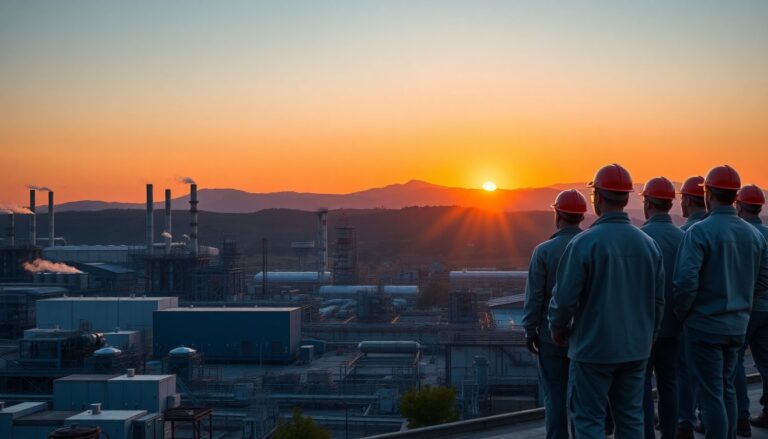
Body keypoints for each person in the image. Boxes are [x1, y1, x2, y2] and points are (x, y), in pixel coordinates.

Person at [548, 163, 665, 438]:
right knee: (631, 419)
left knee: (589, 421)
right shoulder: (648, 245)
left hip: (592, 349)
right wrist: (651, 334)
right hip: (636, 350)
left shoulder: (584, 244)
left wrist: (558, 327)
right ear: (626, 198)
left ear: (597, 198)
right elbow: (658, 301)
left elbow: (564, 300)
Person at [673, 165, 768, 439]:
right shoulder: (752, 235)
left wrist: (684, 312)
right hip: (737, 324)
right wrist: (743, 300)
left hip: (704, 325)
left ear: (709, 194)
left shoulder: (699, 232)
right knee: (726, 388)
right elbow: (763, 278)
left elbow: (685, 282)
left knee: (711, 392)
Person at [523, 189, 588, 439]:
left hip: (550, 338)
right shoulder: (591, 246)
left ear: (558, 215)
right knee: (584, 396)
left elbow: (535, 297)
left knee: (555, 396)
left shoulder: (544, 251)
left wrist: (530, 331)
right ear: (581, 217)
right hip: (585, 336)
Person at [640, 177, 684, 439]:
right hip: (675, 325)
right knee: (670, 383)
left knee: (642, 384)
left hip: (643, 328)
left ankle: (646, 434)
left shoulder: (640, 238)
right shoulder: (684, 238)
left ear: (647, 203)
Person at [733, 184, 768, 435]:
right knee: (766, 361)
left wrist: (746, 296)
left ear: (740, 206)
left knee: (735, 361)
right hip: (767, 310)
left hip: (745, 309)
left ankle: (741, 416)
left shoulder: (741, 234)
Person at [676, 175, 707, 439]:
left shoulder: (689, 234)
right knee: (725, 380)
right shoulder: (747, 232)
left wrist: (681, 311)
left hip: (697, 319)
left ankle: (685, 421)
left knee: (684, 372)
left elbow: (685, 282)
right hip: (737, 318)